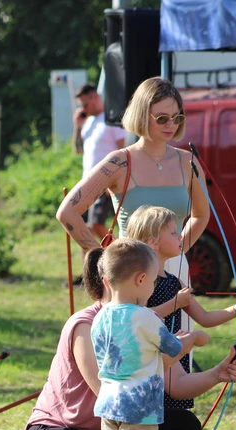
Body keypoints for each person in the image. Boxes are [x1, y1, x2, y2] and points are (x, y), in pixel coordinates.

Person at [23, 246, 236, 430]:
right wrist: (189, 340)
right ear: (137, 279)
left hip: (111, 422)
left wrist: (219, 373)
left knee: (179, 426)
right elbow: (105, 385)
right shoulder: (87, 324)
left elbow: (174, 383)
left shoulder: (139, 321)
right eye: (153, 280)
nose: (155, 287)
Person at [89, 239, 207, 430]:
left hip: (109, 405)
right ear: (141, 279)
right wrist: (194, 338)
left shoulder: (100, 317)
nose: (154, 286)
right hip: (138, 408)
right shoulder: (146, 318)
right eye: (154, 280)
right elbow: (173, 351)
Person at [57, 76, 209, 288]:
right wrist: (103, 260)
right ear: (142, 116)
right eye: (162, 118)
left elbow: (201, 214)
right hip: (129, 275)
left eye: (177, 117)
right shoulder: (119, 162)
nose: (171, 125)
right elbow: (67, 213)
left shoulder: (188, 162)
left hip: (176, 274)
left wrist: (178, 248)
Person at [125, 205, 236, 409]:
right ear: (153, 242)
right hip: (152, 355)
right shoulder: (141, 282)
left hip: (174, 353)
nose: (180, 236)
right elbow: (136, 317)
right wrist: (174, 304)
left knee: (176, 411)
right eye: (173, 232)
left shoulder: (175, 282)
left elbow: (204, 317)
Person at [71, 83, 126, 284]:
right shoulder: (89, 123)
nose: (82, 109)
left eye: (84, 104)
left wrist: (115, 180)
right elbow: (78, 150)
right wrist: (77, 127)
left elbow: (123, 151)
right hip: (86, 184)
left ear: (94, 97)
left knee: (96, 224)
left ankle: (121, 257)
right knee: (80, 226)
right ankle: (88, 273)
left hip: (105, 185)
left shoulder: (111, 121)